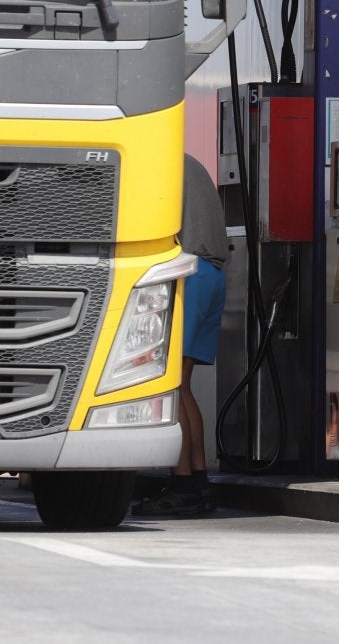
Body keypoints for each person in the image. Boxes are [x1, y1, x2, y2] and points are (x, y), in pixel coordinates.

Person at [135, 154, 229, 517]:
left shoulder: (158, 159)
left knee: (170, 384)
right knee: (182, 384)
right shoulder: (190, 162)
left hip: (186, 273)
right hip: (211, 273)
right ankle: (198, 481)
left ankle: (183, 483)